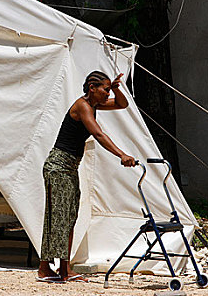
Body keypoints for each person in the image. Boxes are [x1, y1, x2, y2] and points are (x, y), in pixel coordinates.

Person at [37, 70, 136, 283]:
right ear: (92, 88)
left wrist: (117, 89)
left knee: (65, 217)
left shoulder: (94, 104)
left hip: (68, 167)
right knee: (62, 218)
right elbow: (98, 134)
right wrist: (122, 154)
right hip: (59, 166)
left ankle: (45, 269)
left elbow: (122, 105)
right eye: (106, 90)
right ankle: (64, 271)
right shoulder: (83, 106)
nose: (107, 94)